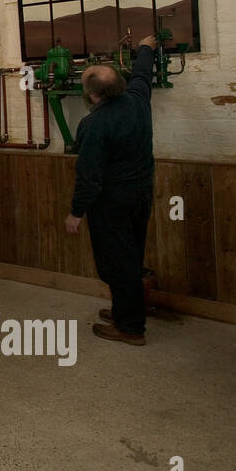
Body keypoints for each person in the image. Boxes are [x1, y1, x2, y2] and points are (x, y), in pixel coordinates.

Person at [63, 34, 158, 345]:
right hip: (142, 194)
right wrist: (145, 48)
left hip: (112, 202)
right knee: (130, 256)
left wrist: (76, 212)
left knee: (117, 264)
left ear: (91, 95)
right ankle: (125, 310)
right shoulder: (138, 100)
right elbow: (143, 73)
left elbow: (89, 176)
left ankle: (130, 327)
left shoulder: (93, 126)